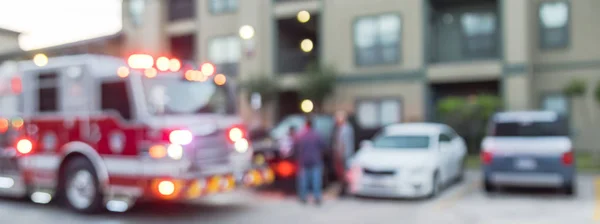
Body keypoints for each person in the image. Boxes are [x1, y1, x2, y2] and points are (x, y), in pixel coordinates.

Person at [294, 118, 327, 205]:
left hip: (304, 160)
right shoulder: (317, 135)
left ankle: (303, 197)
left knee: (304, 180)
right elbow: (323, 146)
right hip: (315, 160)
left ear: (305, 124)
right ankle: (317, 197)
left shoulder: (300, 135)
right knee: (316, 180)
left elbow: (295, 147)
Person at [333, 110, 355, 196]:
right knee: (343, 173)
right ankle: (344, 189)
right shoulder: (342, 128)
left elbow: (343, 144)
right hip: (343, 155)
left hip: (344, 155)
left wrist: (339, 154)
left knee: (344, 173)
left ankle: (345, 190)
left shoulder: (345, 129)